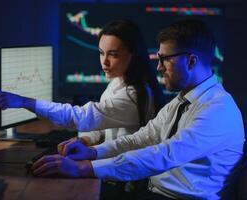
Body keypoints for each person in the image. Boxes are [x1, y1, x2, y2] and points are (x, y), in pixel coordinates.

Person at [31, 19, 245, 200]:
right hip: (155, 192)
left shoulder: (217, 110)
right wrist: (93, 152)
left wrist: (85, 167)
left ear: (191, 61)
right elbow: (143, 138)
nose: (159, 67)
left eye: (165, 59)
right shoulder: (183, 100)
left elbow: (164, 155)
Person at [0, 20, 164, 146]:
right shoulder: (119, 80)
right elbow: (104, 123)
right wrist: (85, 139)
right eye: (101, 53)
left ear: (133, 54)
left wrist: (25, 102)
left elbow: (79, 117)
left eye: (113, 54)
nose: (104, 62)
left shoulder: (133, 96)